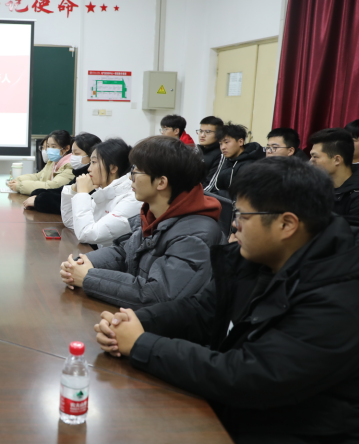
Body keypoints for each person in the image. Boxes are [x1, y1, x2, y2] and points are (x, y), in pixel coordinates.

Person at [94, 158, 359, 443]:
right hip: (233, 413)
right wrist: (137, 322)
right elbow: (201, 310)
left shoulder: (339, 296)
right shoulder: (259, 258)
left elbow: (250, 376)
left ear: (286, 224)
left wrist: (141, 344)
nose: (234, 224)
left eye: (244, 216)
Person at [59, 136, 225, 307]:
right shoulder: (155, 214)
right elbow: (125, 253)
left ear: (161, 182)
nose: (131, 178)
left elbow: (157, 294)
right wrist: (82, 262)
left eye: (137, 171)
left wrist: (88, 277)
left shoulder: (194, 236)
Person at [60, 139, 141, 247]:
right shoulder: (107, 191)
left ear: (113, 168)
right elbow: (71, 222)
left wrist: (82, 194)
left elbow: (87, 234)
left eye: (94, 162)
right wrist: (73, 190)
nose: (89, 169)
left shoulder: (132, 199)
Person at [23, 133, 101, 214]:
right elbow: (62, 190)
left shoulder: (93, 178)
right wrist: (37, 193)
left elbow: (70, 204)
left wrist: (38, 200)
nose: (72, 157)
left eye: (77, 154)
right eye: (72, 153)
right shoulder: (80, 173)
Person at [308, 128, 359, 225]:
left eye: (315, 157)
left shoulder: (356, 195)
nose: (310, 162)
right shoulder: (314, 186)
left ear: (337, 160)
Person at [205, 123, 264, 199]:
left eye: (226, 142)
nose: (223, 147)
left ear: (240, 142)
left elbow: (242, 196)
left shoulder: (250, 165)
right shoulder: (226, 160)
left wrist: (217, 194)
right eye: (220, 144)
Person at [7, 130, 73, 195]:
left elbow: (51, 186)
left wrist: (19, 186)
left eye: (53, 147)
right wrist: (18, 180)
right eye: (48, 146)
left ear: (66, 148)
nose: (49, 149)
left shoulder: (70, 166)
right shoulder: (53, 162)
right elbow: (38, 177)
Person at [196, 116, 223, 186]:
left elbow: (209, 184)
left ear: (219, 134)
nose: (202, 135)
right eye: (201, 131)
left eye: (208, 132)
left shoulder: (221, 155)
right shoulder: (196, 151)